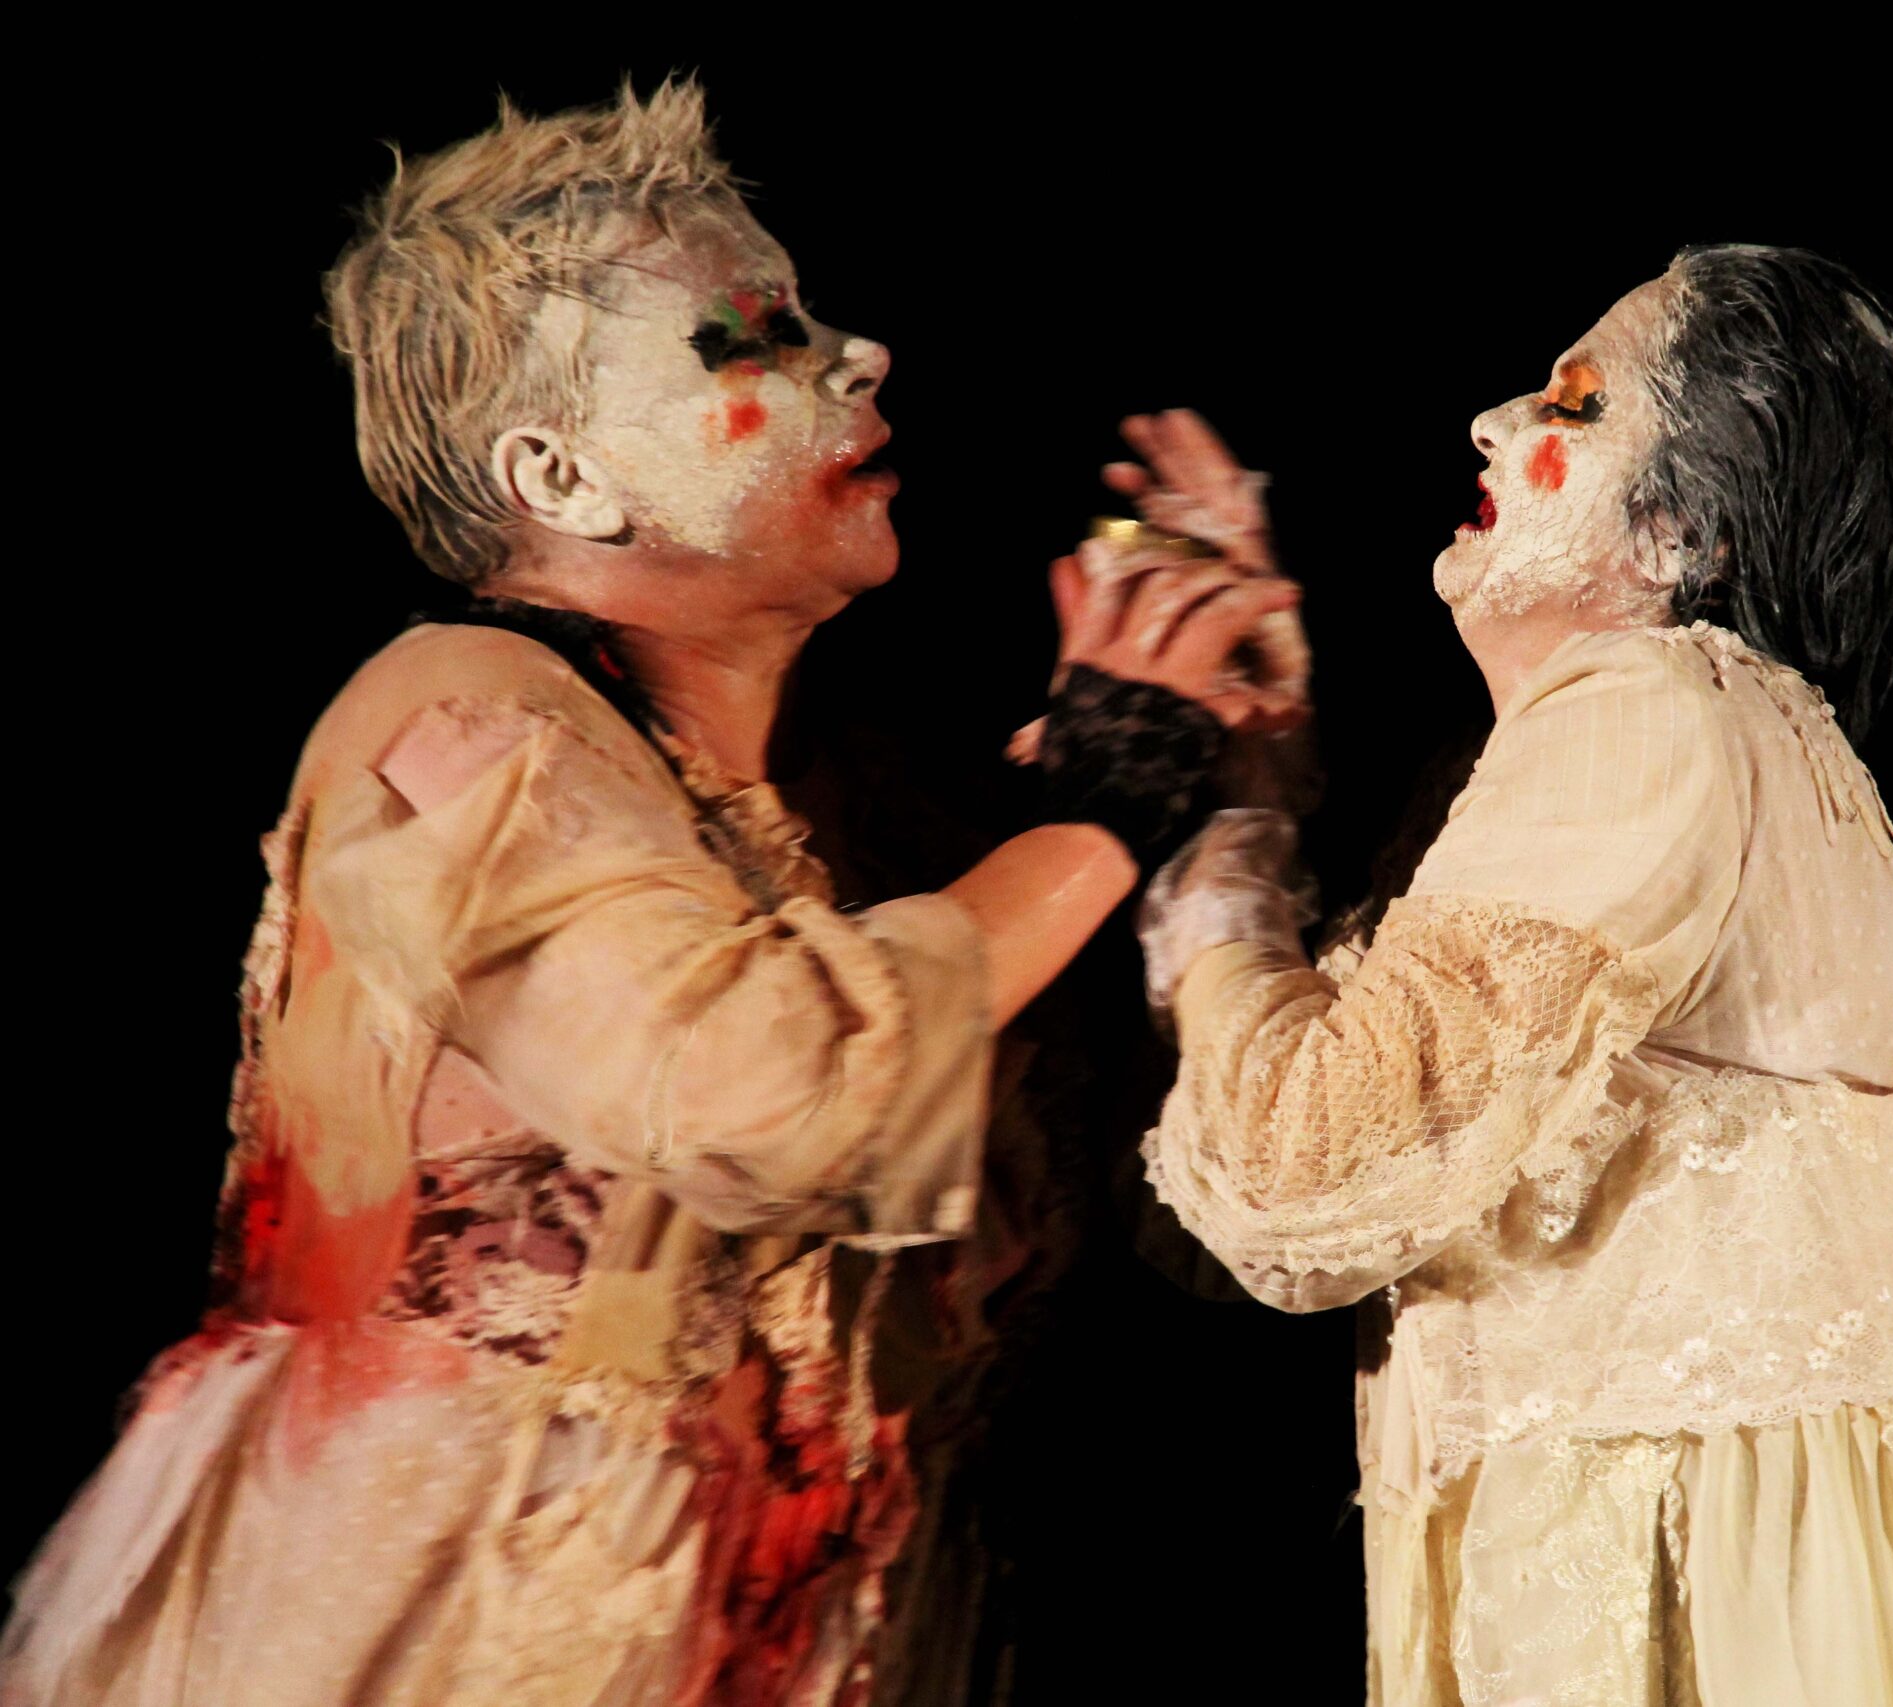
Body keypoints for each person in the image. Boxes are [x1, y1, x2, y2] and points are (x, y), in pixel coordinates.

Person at [1, 81, 1287, 1707]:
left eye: (810, 315)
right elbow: (753, 1087)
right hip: (463, 1623)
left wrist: (1224, 747)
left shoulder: (837, 806)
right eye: (750, 338)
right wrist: (1101, 813)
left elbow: (1135, 1207)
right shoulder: (455, 718)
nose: (861, 354)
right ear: (561, 477)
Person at [1131, 245, 1893, 1704]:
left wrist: (1215, 868)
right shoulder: (1709, 740)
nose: (1494, 422)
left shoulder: (1647, 713)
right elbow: (1275, 1183)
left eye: (1575, 404)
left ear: (1686, 537)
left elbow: (1300, 1172)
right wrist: (1266, 778)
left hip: (1675, 1599)